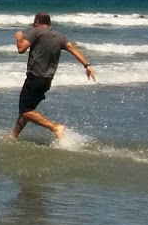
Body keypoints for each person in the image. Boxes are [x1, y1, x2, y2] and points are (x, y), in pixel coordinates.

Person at [11, 12, 95, 141]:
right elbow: (73, 49)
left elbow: (21, 49)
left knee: (26, 110)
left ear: (38, 22)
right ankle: (13, 136)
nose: (34, 25)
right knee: (28, 109)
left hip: (35, 77)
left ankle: (55, 127)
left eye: (34, 23)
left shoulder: (36, 31)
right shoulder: (60, 36)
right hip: (47, 80)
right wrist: (87, 65)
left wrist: (19, 38)